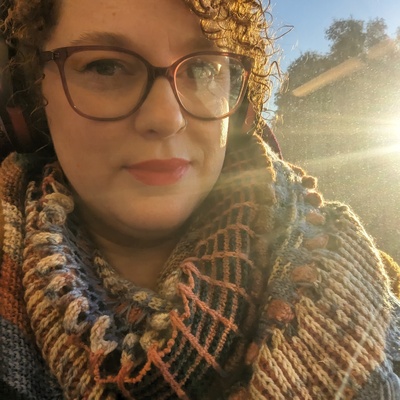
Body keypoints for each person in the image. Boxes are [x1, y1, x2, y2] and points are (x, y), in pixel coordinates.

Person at [0, 0, 399, 399]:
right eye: (106, 66)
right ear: (34, 91)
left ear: (238, 108)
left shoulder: (373, 289)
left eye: (203, 68)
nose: (166, 117)